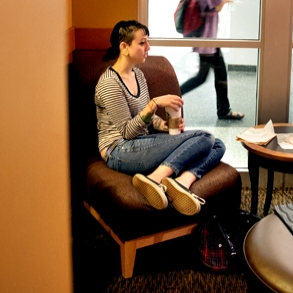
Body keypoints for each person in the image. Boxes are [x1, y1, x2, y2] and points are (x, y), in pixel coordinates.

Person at [95, 20, 226, 215]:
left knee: (218, 144)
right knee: (205, 138)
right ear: (124, 47)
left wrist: (164, 125)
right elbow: (127, 132)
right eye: (142, 43)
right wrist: (153, 104)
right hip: (118, 150)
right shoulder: (109, 83)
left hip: (141, 142)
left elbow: (148, 120)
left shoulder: (138, 75)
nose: (148, 47)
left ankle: (182, 181)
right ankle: (155, 178)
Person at [179, 0, 244, 120]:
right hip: (207, 41)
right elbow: (218, 7)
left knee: (218, 74)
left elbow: (212, 5)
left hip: (209, 41)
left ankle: (224, 110)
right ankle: (172, 94)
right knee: (203, 77)